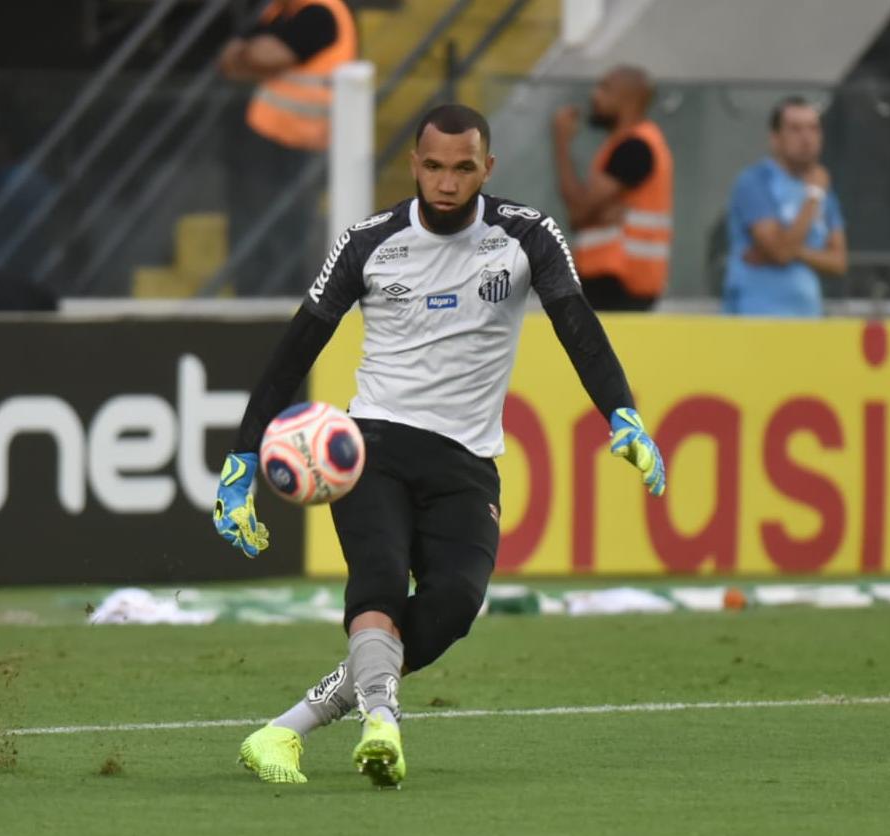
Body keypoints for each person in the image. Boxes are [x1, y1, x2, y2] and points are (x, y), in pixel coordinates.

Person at [213, 104, 666, 789]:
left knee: (455, 603)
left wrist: (622, 413)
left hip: (465, 460)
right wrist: (244, 456)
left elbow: (576, 322)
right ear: (414, 165)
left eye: (462, 169)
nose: (447, 183)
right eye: (433, 167)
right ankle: (382, 726)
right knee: (380, 584)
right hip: (372, 447)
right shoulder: (369, 242)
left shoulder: (526, 235)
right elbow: (294, 348)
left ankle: (286, 730)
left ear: (487, 168)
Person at [219, 0, 357, 295]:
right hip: (266, 142)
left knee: (292, 236)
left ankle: (291, 304)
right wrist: (250, 55)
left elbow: (268, 55)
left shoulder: (321, 13)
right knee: (259, 234)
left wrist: (249, 54)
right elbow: (228, 60)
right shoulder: (278, 12)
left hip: (305, 147)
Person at [551, 66, 673, 311]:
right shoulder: (622, 145)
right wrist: (593, 215)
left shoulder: (635, 147)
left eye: (604, 88)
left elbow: (577, 211)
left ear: (629, 99)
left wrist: (561, 143)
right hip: (612, 281)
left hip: (619, 282)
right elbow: (582, 214)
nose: (594, 96)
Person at [723, 96, 847, 317]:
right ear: (775, 138)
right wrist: (811, 199)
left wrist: (793, 251)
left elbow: (838, 261)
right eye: (795, 129)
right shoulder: (755, 182)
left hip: (807, 318)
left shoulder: (823, 187)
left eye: (813, 129)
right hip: (755, 317)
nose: (806, 138)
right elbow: (779, 252)